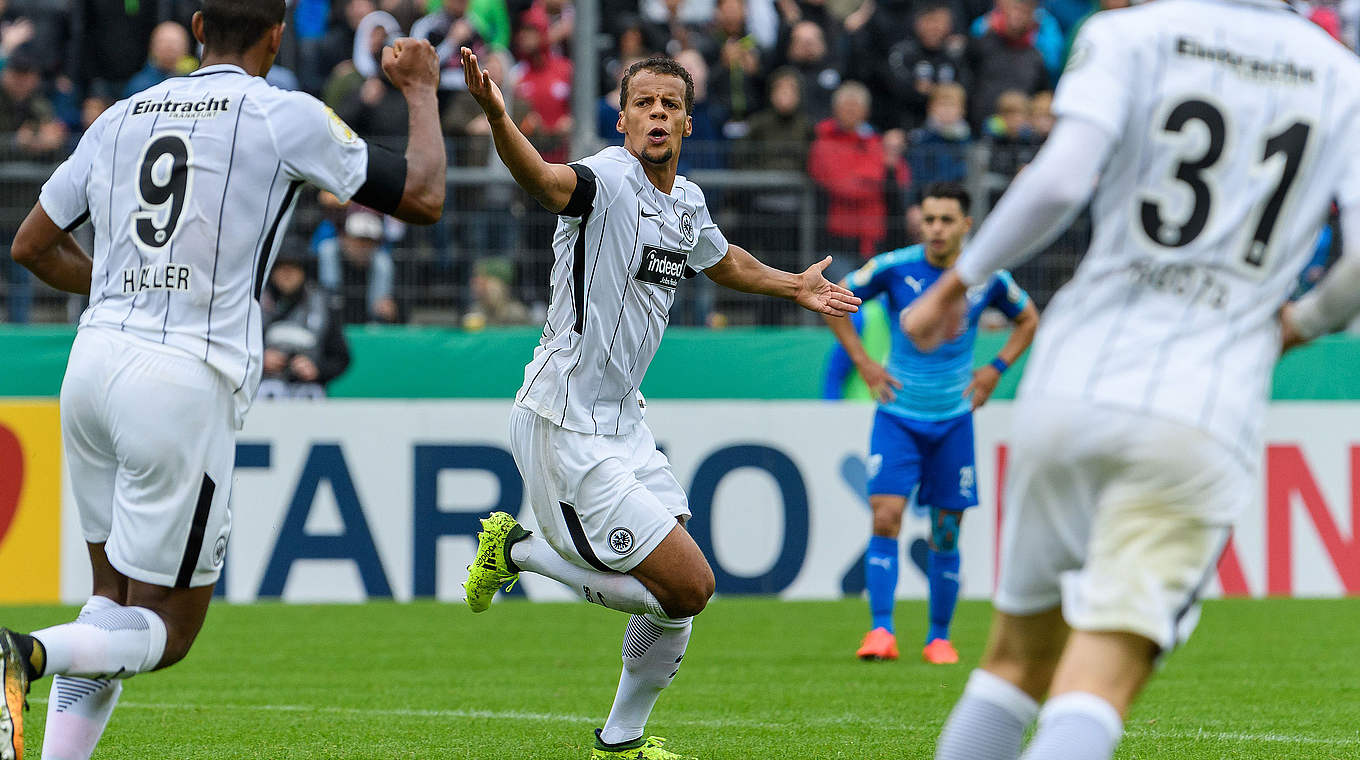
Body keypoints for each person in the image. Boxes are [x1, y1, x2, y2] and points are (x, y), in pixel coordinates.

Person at [902, 4, 1360, 760]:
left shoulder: (1130, 33)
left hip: (1072, 379)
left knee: (1012, 666)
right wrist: (1299, 324)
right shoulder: (1341, 77)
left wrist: (960, 284)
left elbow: (1057, 183)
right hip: (1203, 405)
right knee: (1094, 684)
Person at [5, 0, 446, 755]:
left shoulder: (119, 116)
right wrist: (421, 91)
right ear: (277, 37)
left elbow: (31, 244)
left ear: (200, 26)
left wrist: (120, 286)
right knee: (169, 631)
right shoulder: (283, 115)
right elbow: (425, 196)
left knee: (109, 604)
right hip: (181, 380)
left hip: (91, 367)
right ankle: (23, 654)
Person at [457, 49, 859, 760]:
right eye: (644, 103)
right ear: (623, 118)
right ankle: (517, 549)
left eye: (670, 104)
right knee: (689, 587)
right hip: (564, 418)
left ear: (687, 123)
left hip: (624, 422)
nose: (657, 115)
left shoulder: (688, 202)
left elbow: (722, 259)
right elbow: (547, 181)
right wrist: (496, 115)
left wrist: (793, 285)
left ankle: (621, 740)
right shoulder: (606, 179)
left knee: (673, 593)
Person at [825, 182, 1037, 665]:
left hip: (953, 421)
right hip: (898, 416)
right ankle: (881, 630)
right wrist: (862, 361)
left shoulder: (988, 278)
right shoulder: (896, 267)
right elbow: (834, 299)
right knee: (885, 516)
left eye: (946, 220)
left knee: (946, 531)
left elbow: (1029, 320)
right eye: (929, 218)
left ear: (967, 225)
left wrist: (994, 371)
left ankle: (939, 637)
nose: (936, 229)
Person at [257, 252, 351, 400]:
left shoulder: (322, 304)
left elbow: (341, 358)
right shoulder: (255, 303)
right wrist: (260, 359)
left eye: (293, 268)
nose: (287, 275)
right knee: (269, 391)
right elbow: (235, 348)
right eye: (281, 268)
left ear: (303, 272)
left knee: (310, 393)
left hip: (308, 389)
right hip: (264, 386)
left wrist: (317, 369)